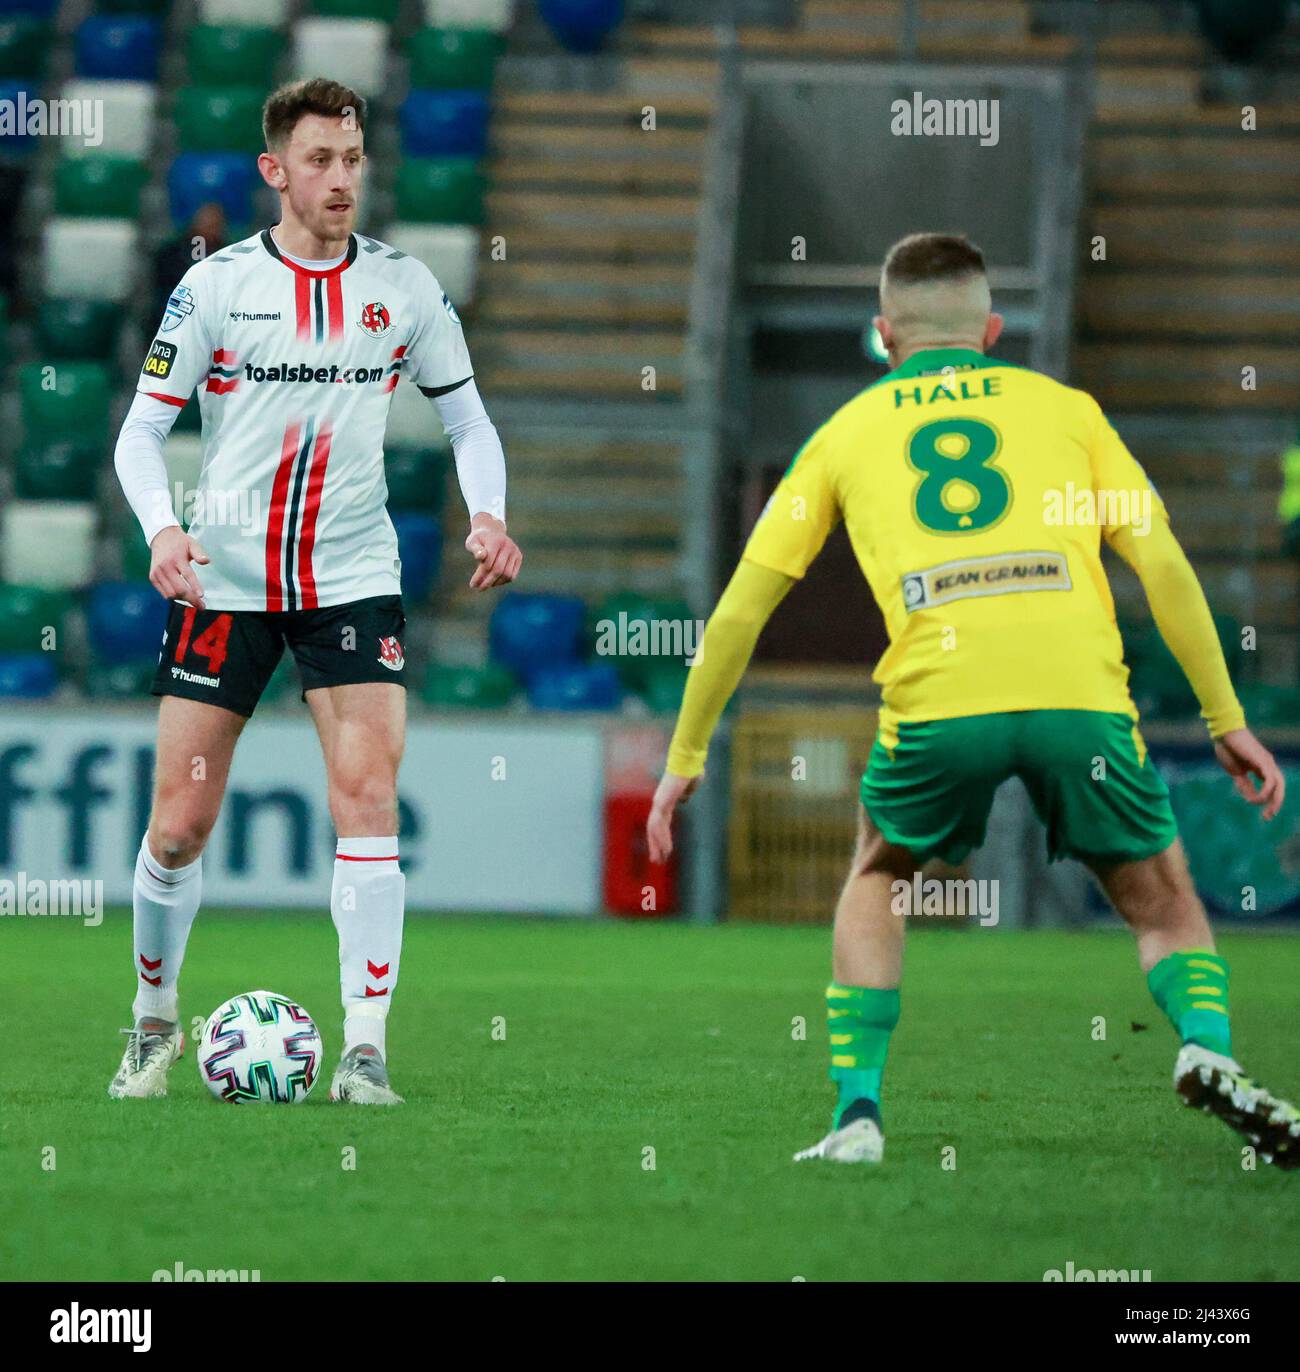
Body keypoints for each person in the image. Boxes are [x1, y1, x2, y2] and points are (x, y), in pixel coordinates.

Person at [647, 232, 1298, 1168]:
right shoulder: (1068, 411)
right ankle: (1208, 1049)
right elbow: (1163, 564)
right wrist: (1225, 719)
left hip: (942, 699)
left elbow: (741, 610)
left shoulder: (844, 433)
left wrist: (685, 759)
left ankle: (859, 1115)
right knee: (1161, 902)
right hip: (1080, 696)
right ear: (993, 330)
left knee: (878, 876)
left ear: (885, 336)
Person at [109, 78, 521, 1105]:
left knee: (368, 797)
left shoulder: (405, 287)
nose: (342, 179)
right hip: (224, 582)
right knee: (176, 829)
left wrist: (487, 514)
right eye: (322, 161)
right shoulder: (213, 289)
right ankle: (154, 1023)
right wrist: (163, 528)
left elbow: (468, 420)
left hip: (351, 577)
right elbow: (141, 432)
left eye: (354, 159)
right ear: (275, 171)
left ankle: (365, 1050)